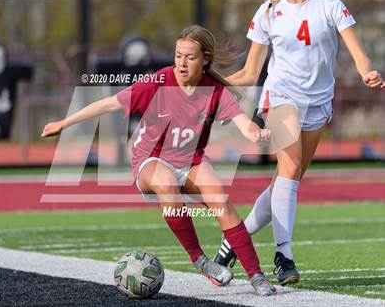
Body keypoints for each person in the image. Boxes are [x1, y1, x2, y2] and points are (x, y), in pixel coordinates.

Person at [41, 25, 277, 296]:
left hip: (192, 161)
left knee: (220, 200)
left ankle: (256, 276)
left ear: (205, 60)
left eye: (190, 57)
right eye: (178, 55)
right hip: (151, 159)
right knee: (166, 184)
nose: (182, 62)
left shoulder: (215, 91)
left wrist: (256, 133)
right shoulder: (160, 82)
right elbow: (108, 104)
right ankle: (200, 261)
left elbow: (243, 124)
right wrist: (65, 122)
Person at [214, 0, 385, 286]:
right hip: (281, 94)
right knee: (290, 169)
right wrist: (214, 88)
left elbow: (358, 53)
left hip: (319, 100)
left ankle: (235, 237)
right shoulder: (268, 11)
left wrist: (366, 71)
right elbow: (250, 72)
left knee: (286, 180)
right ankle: (284, 256)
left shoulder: (330, 4)